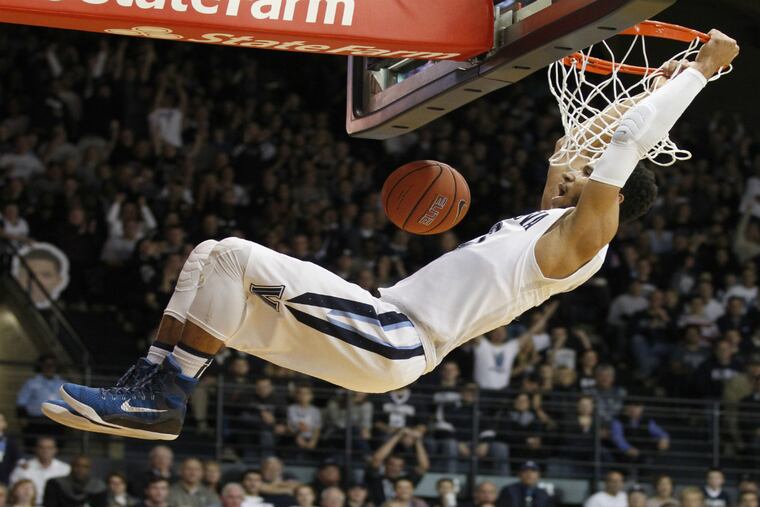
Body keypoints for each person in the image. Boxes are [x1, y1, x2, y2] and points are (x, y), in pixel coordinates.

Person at [47, 32, 741, 440]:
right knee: (210, 259)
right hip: (378, 324)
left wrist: (698, 74)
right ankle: (151, 382)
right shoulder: (546, 216)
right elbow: (598, 133)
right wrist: (659, 78)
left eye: (585, 169)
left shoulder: (585, 238)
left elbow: (621, 143)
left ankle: (163, 397)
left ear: (605, 192)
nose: (570, 158)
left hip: (398, 337)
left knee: (231, 255)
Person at [9, 437, 70, 502]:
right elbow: (13, 489)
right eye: (41, 447)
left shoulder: (65, 469)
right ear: (35, 449)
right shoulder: (24, 468)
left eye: (49, 448)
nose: (45, 451)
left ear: (55, 450)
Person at [0, 413, 21, 485]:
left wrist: (22, 462)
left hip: (4, 474)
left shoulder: (9, 440)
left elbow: (16, 454)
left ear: (5, 424)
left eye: (0, 420)